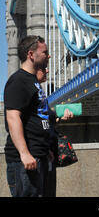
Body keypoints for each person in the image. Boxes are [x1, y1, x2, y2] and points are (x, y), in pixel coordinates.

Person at [4, 35, 51, 197]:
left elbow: (38, 117)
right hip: (25, 161)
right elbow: (13, 118)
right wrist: (24, 153)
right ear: (31, 55)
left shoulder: (33, 81)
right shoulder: (18, 81)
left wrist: (45, 148)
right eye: (45, 52)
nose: (48, 55)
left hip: (40, 156)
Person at [36, 66, 73, 197]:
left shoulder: (40, 93)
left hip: (47, 154)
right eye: (43, 68)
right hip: (38, 156)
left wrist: (59, 119)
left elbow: (45, 123)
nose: (47, 71)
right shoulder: (27, 89)